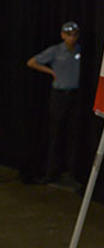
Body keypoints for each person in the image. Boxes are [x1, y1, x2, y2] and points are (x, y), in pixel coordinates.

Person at [27, 21, 81, 184]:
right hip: (59, 96)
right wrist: (50, 71)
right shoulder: (56, 51)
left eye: (74, 34)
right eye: (68, 34)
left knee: (73, 135)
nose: (72, 38)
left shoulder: (79, 50)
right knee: (56, 134)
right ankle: (51, 172)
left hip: (74, 95)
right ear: (63, 35)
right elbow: (32, 62)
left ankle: (71, 172)